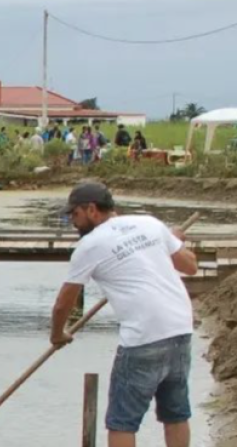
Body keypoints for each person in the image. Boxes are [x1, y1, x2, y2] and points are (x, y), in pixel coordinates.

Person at [49, 183, 198, 447]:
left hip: (143, 336)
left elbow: (63, 304)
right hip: (180, 329)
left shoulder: (89, 245)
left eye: (75, 214)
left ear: (91, 209)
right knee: (175, 414)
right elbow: (190, 266)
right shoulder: (150, 224)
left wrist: (57, 335)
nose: (72, 221)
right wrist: (170, 242)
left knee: (121, 421)